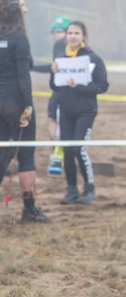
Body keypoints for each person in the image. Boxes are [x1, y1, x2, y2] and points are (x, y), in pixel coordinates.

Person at [0, 0, 50, 222]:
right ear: (17, 11)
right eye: (23, 6)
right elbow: (23, 75)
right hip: (14, 100)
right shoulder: (19, 38)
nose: (26, 10)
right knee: (26, 154)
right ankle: (29, 208)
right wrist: (28, 105)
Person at [50, 21, 108, 204]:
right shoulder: (61, 57)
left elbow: (102, 86)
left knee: (78, 148)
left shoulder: (93, 59)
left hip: (86, 111)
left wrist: (81, 86)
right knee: (67, 150)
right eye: (70, 33)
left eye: (77, 33)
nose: (73, 36)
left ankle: (89, 187)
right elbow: (55, 86)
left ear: (84, 36)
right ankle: (71, 189)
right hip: (66, 110)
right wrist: (53, 73)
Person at [32, 16, 71, 175]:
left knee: (54, 122)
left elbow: (56, 67)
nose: (55, 35)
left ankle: (58, 156)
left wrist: (32, 66)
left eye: (57, 31)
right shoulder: (76, 46)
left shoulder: (60, 44)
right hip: (68, 92)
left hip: (61, 92)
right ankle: (61, 155)